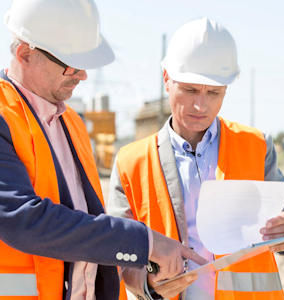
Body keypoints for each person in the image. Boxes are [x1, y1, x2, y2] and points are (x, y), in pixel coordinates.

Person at [0, 0, 206, 299]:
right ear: (25, 54)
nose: (82, 75)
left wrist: (145, 275)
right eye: (71, 64)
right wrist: (144, 242)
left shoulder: (71, 124)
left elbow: (85, 228)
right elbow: (21, 219)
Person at [107, 17, 284, 300]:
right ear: (166, 79)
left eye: (214, 93)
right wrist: (148, 282)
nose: (201, 105)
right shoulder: (131, 162)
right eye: (190, 90)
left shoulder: (255, 145)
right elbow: (116, 250)